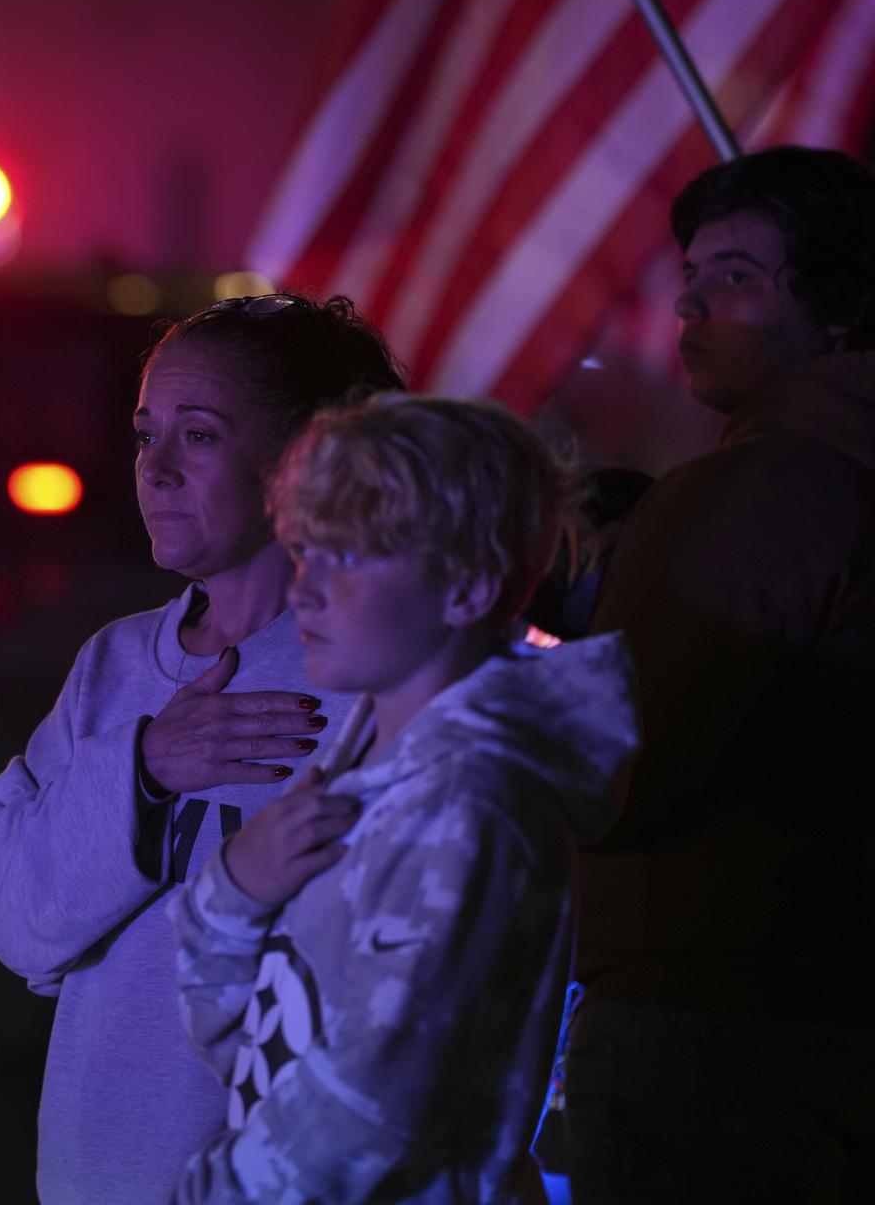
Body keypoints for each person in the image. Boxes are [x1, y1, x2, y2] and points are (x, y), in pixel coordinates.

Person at [0, 293, 405, 1203]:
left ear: (304, 457)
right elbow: (14, 916)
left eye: (198, 436)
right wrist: (144, 770)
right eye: (144, 433)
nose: (155, 469)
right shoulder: (116, 664)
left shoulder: (378, 670)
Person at [166, 395, 638, 1203]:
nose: (306, 589)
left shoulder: (471, 807)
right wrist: (232, 892)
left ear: (466, 590)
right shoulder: (355, 769)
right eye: (304, 549)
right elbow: (251, 1051)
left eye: (349, 557)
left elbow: (368, 1107)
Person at [564, 145, 875, 1202]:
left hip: (704, 1026)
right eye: (690, 278)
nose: (693, 304)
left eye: (736, 275)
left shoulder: (755, 492)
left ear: (841, 304)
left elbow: (612, 772)